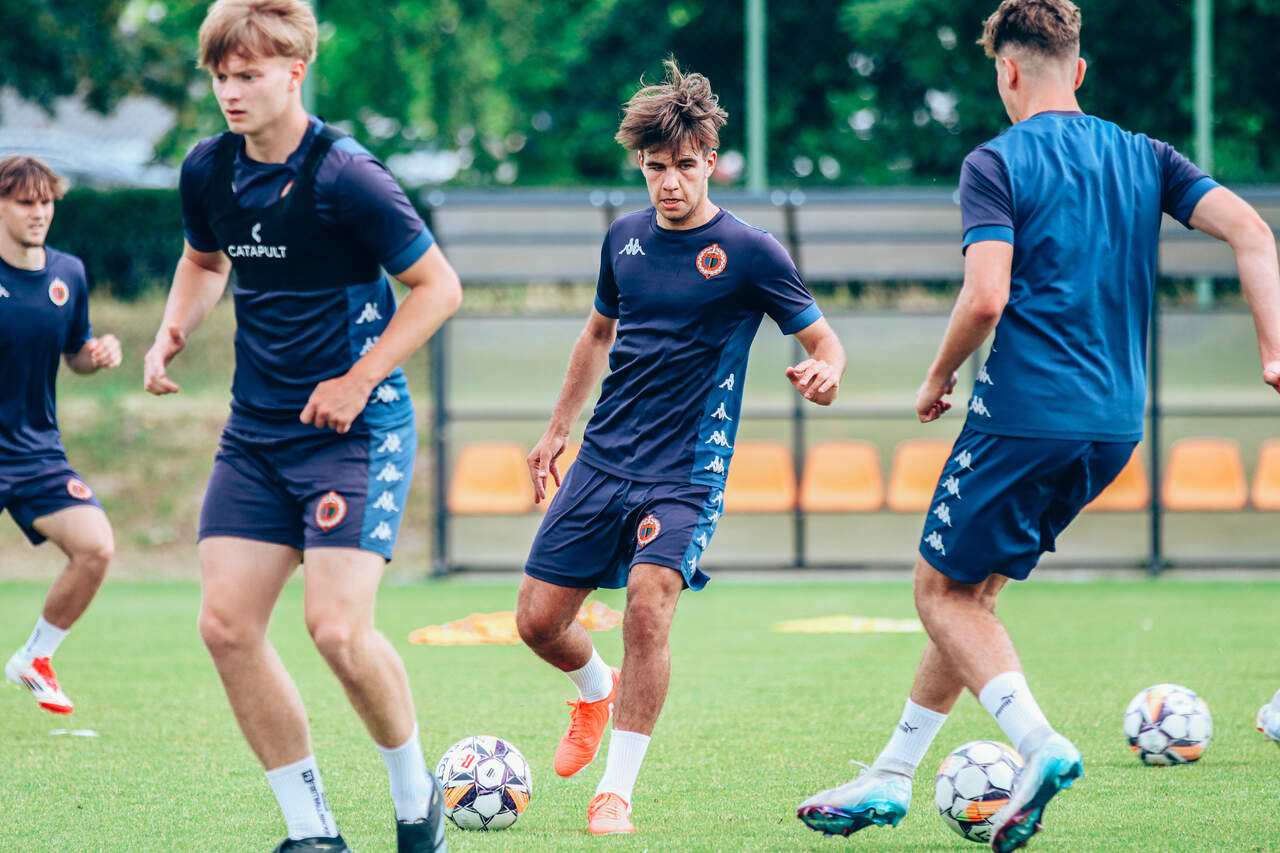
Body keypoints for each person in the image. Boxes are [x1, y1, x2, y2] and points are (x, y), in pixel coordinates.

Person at [796, 0, 1280, 850]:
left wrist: (938, 375)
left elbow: (986, 296)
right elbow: (1252, 232)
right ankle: (890, 775)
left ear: (1007, 71)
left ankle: (1039, 743)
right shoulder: (1147, 156)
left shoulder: (995, 161)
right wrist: (1273, 351)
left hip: (1024, 414)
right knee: (973, 595)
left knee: (938, 592)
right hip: (1114, 426)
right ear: (1079, 69)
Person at [142, 2, 461, 851]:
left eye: (248, 75)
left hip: (357, 432)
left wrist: (358, 380)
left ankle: (415, 795)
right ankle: (312, 829)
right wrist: (174, 327)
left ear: (295, 71)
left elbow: (438, 289)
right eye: (221, 76)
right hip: (257, 436)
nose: (231, 92)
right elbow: (204, 260)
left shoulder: (348, 176)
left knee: (337, 630)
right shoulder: (208, 169)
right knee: (225, 626)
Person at [515, 59, 846, 837]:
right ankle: (596, 691)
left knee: (648, 602)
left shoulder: (751, 251)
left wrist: (826, 371)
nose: (670, 182)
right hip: (603, 458)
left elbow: (824, 340)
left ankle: (615, 792)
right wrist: (558, 427)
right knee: (537, 622)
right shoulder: (623, 240)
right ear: (641, 163)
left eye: (686, 166)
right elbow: (598, 334)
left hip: (686, 472)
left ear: (711, 163)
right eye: (657, 166)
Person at [0, 155, 122, 716]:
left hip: (35, 452)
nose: (39, 213)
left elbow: (75, 354)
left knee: (95, 547)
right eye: (25, 202)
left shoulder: (67, 273)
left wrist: (96, 355)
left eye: (46, 202)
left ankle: (36, 657)